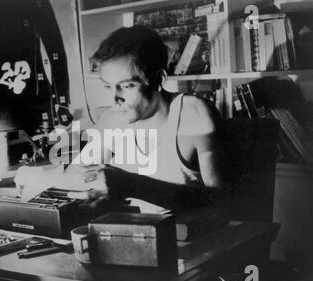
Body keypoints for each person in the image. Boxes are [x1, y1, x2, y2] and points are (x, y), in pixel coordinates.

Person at [67, 25, 228, 212]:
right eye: (107, 87)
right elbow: (76, 177)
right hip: (132, 233)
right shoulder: (113, 119)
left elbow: (222, 203)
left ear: (158, 80)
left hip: (188, 236)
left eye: (127, 86)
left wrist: (132, 185)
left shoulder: (194, 115)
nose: (114, 99)